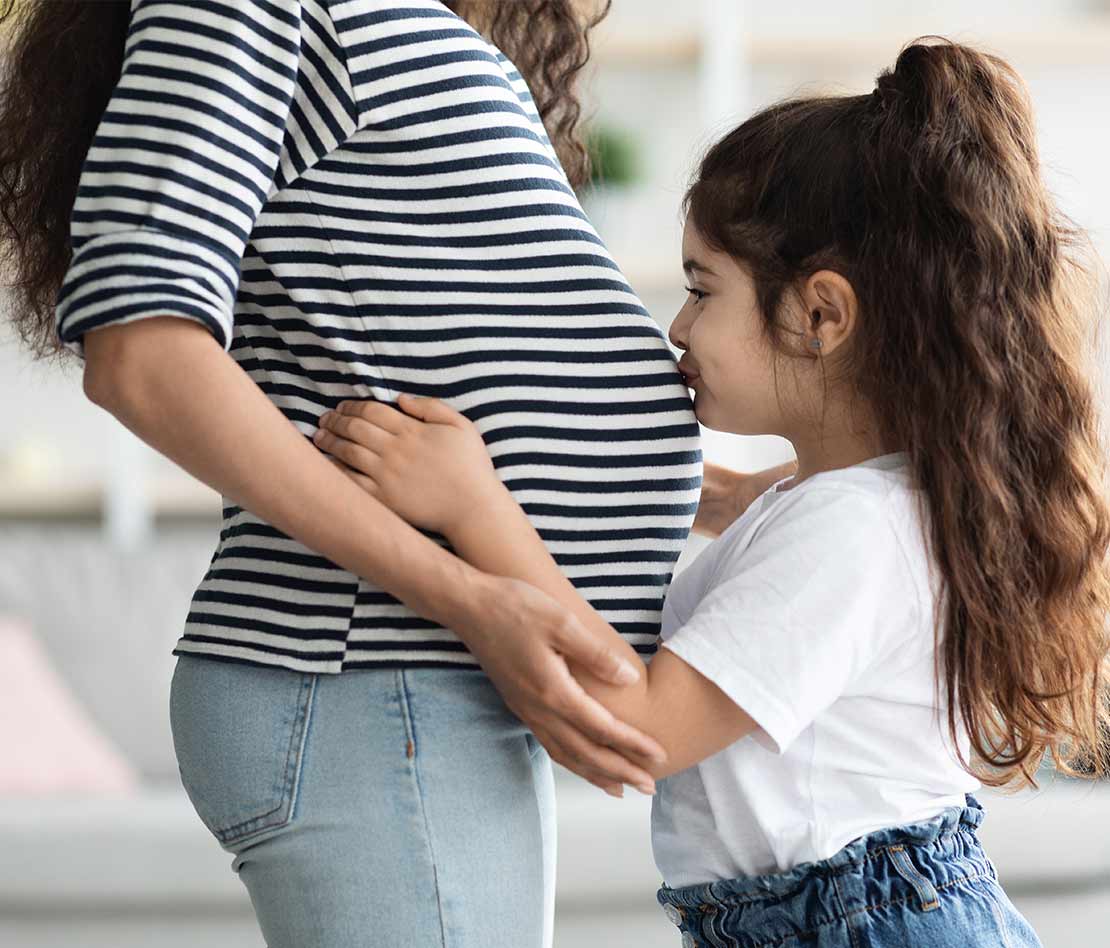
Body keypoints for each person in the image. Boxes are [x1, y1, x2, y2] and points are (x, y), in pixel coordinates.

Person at [0, 1, 793, 946]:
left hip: (421, 677)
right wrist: (465, 596)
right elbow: (141, 355)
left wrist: (715, 495)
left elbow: (437, 356)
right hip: (370, 663)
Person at [313, 36, 1110, 947]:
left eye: (702, 290)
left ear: (820, 315)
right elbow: (742, 500)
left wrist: (473, 508)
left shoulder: (850, 533)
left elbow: (639, 728)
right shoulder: (865, 500)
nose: (678, 328)